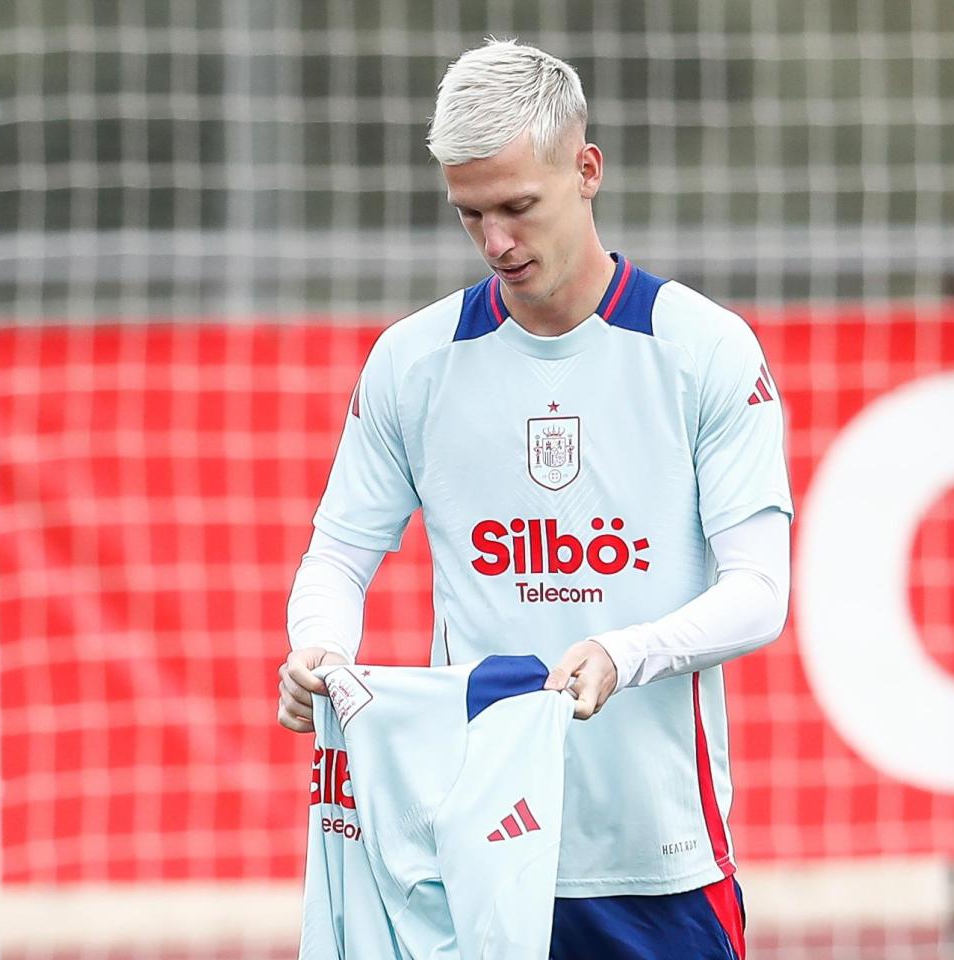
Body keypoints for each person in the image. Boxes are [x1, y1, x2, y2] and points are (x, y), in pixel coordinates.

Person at [276, 38, 792, 960]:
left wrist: (621, 654)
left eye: (519, 207)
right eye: (470, 215)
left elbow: (760, 592)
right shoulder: (414, 362)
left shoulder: (704, 350)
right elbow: (339, 553)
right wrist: (319, 645)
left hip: (658, 861)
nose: (497, 242)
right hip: (472, 854)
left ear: (587, 170)